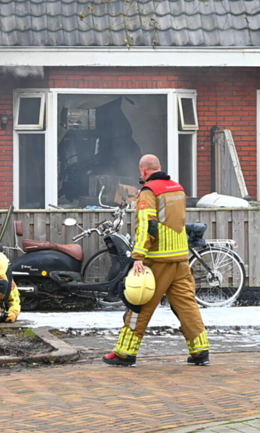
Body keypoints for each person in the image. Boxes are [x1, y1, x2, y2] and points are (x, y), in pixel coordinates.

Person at [103, 154, 210, 367]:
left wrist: (138, 256)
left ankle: (125, 353)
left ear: (143, 171)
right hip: (180, 259)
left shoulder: (149, 192)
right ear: (159, 167)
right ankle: (200, 351)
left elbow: (146, 226)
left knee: (139, 304)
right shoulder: (177, 188)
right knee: (187, 306)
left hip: (157, 260)